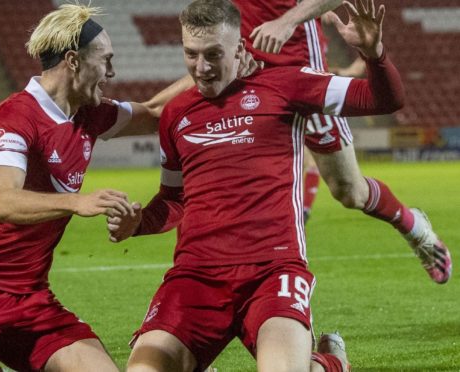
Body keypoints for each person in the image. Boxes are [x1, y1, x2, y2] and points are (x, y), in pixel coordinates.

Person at [0, 4, 210, 371]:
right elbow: (3, 202)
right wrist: (76, 202)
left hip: (31, 299)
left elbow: (154, 111)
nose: (112, 73)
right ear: (73, 61)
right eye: (106, 61)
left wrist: (209, 65)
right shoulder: (14, 118)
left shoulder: (88, 114)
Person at [108, 0, 403, 370]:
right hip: (196, 276)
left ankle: (330, 363)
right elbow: (174, 199)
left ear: (240, 49)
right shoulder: (175, 113)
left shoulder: (288, 86)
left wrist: (374, 54)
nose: (201, 68)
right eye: (191, 54)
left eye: (214, 54)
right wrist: (138, 224)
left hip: (273, 271)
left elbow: (384, 99)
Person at [237, 0, 452, 283]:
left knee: (350, 191)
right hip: (248, 81)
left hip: (301, 80)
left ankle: (414, 226)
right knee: (247, 189)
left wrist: (289, 20)